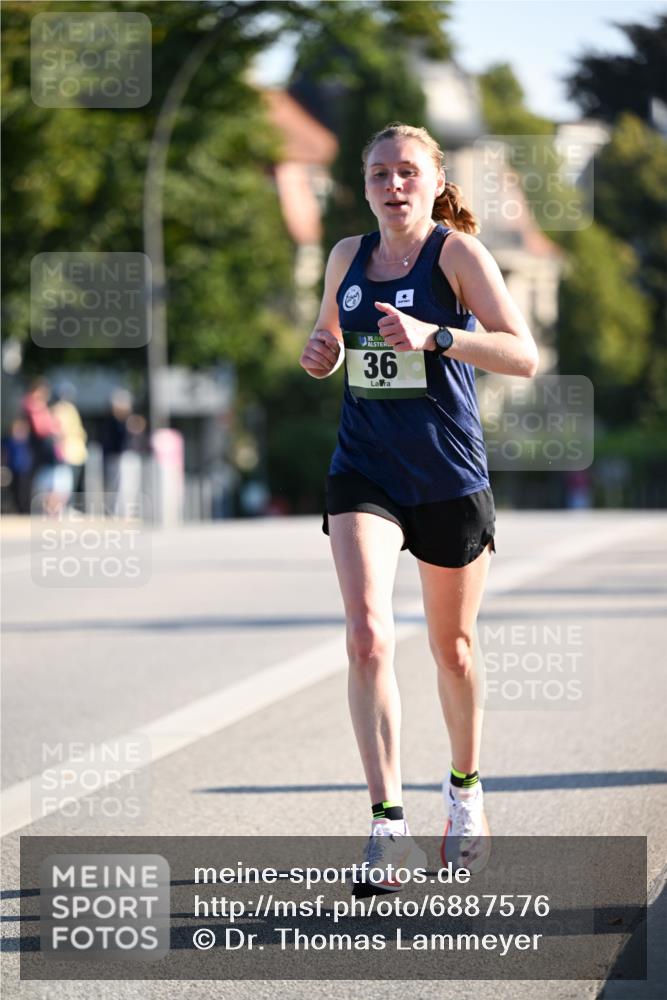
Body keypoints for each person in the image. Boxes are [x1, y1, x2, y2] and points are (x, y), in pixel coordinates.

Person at [299, 123, 538, 891]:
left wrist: (437, 336)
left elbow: (522, 354)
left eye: (406, 172)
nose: (393, 185)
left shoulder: (456, 255)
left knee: (452, 649)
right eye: (379, 173)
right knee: (367, 636)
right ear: (364, 184)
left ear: (434, 182)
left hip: (446, 474)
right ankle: (387, 825)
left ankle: (465, 793)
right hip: (364, 469)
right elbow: (329, 340)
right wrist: (320, 353)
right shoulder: (346, 256)